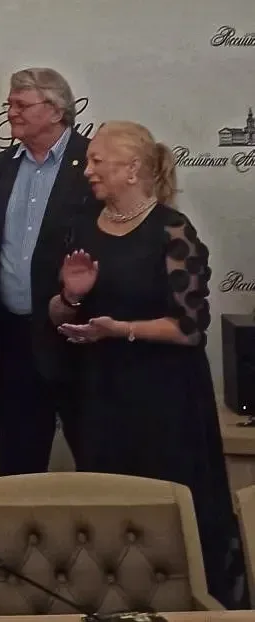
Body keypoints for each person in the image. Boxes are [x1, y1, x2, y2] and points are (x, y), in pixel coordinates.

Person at [52, 121, 241, 606]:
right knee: (107, 507)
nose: (87, 170)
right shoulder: (82, 225)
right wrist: (71, 297)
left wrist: (120, 329)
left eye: (98, 161)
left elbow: (189, 327)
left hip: (164, 398)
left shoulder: (171, 230)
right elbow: (57, 312)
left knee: (166, 509)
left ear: (132, 168)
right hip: (100, 391)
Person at [0, 68, 97, 474]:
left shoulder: (95, 163)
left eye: (21, 105)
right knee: (17, 466)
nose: (11, 112)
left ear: (55, 111)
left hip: (80, 341)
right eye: (10, 104)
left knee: (100, 463)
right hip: (12, 341)